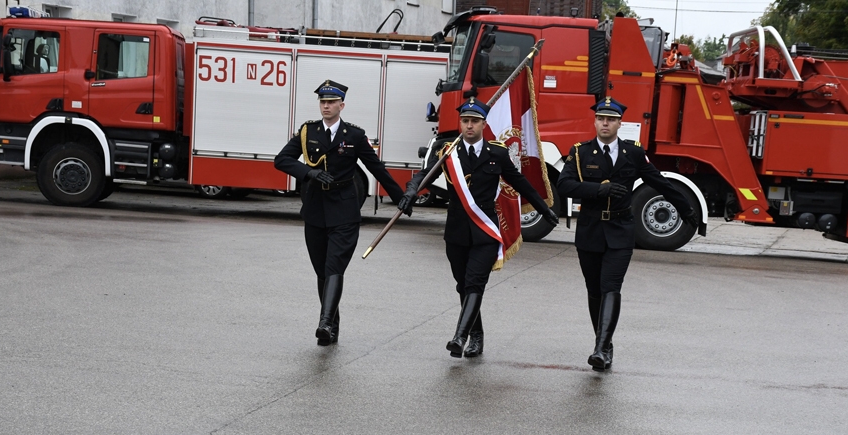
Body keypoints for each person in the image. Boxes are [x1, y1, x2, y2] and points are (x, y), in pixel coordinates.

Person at [399, 98, 559, 358]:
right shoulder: (448, 152)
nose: (469, 125)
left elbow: (518, 181)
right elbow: (424, 175)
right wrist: (410, 192)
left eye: (474, 121)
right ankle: (477, 335)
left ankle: (459, 337)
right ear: (460, 123)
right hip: (457, 232)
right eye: (465, 121)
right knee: (463, 285)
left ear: (484, 124)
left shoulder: (496, 153)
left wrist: (544, 208)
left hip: (485, 231)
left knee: (475, 283)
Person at [556, 97, 700, 371]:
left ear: (620, 124)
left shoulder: (632, 152)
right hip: (590, 230)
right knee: (594, 290)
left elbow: (658, 181)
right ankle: (605, 344)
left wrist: (685, 208)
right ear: (595, 121)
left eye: (611, 119)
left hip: (621, 230)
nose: (605, 123)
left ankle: (600, 348)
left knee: (611, 285)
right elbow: (565, 185)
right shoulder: (580, 152)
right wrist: (600, 190)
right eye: (601, 118)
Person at [275, 80, 404, 346]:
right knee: (322, 271)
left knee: (334, 266)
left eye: (331, 102)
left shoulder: (354, 136)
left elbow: (376, 168)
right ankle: (332, 325)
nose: (326, 106)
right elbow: (282, 160)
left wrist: (401, 198)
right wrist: (309, 172)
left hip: (344, 210)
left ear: (341, 105)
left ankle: (323, 322)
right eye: (322, 102)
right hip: (314, 210)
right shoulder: (307, 131)